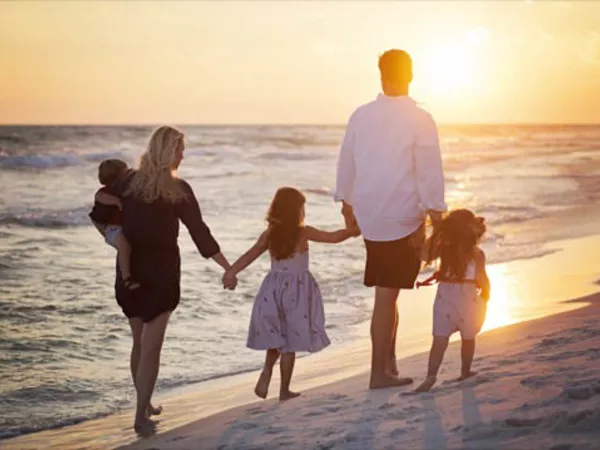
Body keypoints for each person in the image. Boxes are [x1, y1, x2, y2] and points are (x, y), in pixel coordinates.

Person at [89, 125, 234, 432]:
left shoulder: (141, 184)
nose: (183, 155)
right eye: (180, 149)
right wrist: (112, 238)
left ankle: (144, 404)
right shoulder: (154, 185)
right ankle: (141, 413)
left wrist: (114, 239)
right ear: (169, 151)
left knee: (143, 344)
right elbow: (200, 233)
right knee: (147, 345)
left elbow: (198, 232)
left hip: (142, 273)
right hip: (151, 273)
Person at [335, 49, 447, 389]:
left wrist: (347, 204)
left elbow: (346, 160)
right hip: (401, 217)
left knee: (390, 292)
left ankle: (389, 364)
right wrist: (437, 216)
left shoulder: (361, 115)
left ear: (381, 73)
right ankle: (377, 374)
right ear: (410, 75)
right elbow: (429, 170)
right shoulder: (420, 118)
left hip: (372, 215)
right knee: (386, 295)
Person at [223, 187, 360, 401]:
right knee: (290, 342)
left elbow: (249, 255)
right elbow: (332, 237)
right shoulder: (303, 232)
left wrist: (231, 272)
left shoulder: (269, 235)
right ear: (296, 211)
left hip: (273, 288)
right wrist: (353, 230)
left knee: (278, 335)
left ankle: (267, 370)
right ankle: (284, 390)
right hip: (297, 291)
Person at [415, 209, 490, 392]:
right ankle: (465, 371)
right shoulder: (476, 254)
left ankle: (430, 376)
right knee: (468, 338)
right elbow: (482, 278)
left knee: (439, 340)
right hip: (468, 299)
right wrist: (486, 298)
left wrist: (432, 235)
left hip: (445, 299)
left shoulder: (443, 250)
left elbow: (423, 255)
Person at [89, 159, 139, 290]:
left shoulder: (124, 189)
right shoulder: (106, 192)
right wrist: (116, 201)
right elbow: (99, 197)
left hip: (120, 228)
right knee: (124, 247)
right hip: (113, 230)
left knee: (128, 248)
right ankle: (127, 278)